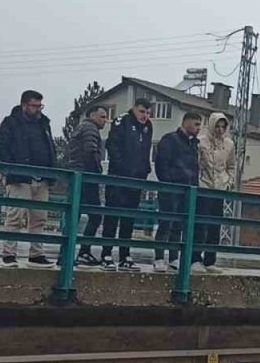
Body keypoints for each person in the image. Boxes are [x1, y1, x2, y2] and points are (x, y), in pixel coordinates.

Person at [0, 89, 57, 268]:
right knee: (15, 216)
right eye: (34, 106)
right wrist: (12, 167)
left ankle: (36, 254)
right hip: (19, 178)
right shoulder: (11, 122)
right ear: (24, 105)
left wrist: (52, 171)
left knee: (39, 218)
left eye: (40, 106)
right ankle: (9, 254)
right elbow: (1, 146)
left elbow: (50, 147)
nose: (38, 109)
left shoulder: (44, 123)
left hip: (42, 177)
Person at [103, 98, 154, 272]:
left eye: (148, 113)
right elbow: (112, 145)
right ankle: (106, 254)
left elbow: (146, 150)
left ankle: (125, 255)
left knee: (129, 218)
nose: (145, 116)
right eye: (142, 112)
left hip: (136, 179)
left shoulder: (148, 126)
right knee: (112, 216)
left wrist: (144, 170)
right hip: (118, 177)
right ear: (134, 109)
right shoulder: (122, 121)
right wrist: (121, 167)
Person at [153, 112, 202, 272]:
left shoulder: (193, 144)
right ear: (186, 122)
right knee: (165, 223)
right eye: (196, 124)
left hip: (187, 190)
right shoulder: (170, 139)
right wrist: (168, 183)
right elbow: (162, 163)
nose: (199, 128)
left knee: (178, 226)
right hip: (171, 188)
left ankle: (174, 258)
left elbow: (194, 168)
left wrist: (194, 186)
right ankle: (159, 258)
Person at [67, 105, 109, 268]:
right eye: (102, 116)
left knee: (73, 214)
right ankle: (84, 251)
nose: (105, 120)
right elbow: (90, 152)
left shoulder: (82, 127)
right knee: (95, 215)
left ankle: (66, 252)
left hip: (77, 174)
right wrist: (96, 172)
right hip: (85, 176)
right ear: (92, 116)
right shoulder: (91, 129)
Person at [195, 112, 236, 273]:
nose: (220, 130)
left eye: (223, 127)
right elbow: (196, 164)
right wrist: (198, 181)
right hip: (204, 186)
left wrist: (229, 182)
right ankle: (195, 259)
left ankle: (210, 260)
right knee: (200, 225)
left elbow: (231, 166)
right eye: (217, 126)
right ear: (211, 126)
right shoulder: (200, 142)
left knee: (215, 226)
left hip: (219, 189)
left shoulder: (229, 144)